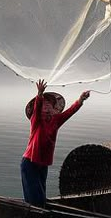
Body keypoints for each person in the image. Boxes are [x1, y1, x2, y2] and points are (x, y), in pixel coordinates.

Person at [21, 78, 90, 207]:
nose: (47, 107)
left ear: (54, 109)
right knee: (34, 198)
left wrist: (81, 100)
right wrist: (40, 94)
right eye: (44, 105)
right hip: (30, 162)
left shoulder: (56, 121)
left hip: (43, 164)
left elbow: (71, 111)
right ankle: (35, 217)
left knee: (40, 195)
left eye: (50, 105)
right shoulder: (36, 121)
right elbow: (37, 108)